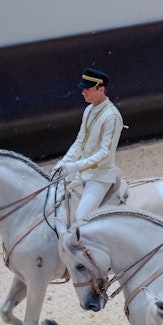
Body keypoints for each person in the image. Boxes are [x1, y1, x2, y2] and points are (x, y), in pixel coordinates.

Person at [53, 68, 124, 221]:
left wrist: (76, 165)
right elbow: (80, 142)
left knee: (81, 217)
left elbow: (105, 154)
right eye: (83, 88)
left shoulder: (112, 116)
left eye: (87, 89)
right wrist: (65, 161)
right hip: (81, 172)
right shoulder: (88, 110)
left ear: (101, 89)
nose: (83, 92)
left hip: (100, 176)